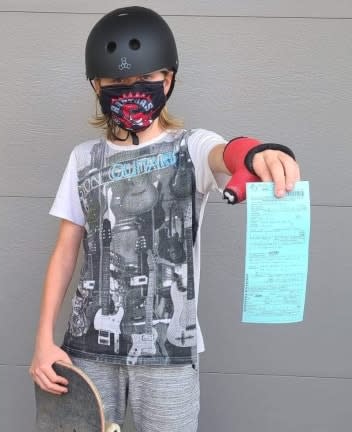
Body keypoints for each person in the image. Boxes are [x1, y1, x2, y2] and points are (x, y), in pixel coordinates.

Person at [29, 6, 300, 431]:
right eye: (117, 83)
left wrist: (255, 152)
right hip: (87, 351)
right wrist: (43, 341)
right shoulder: (84, 159)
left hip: (168, 352)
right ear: (97, 85)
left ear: (168, 80)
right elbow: (65, 252)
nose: (131, 90)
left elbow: (225, 153)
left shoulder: (190, 148)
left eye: (145, 80)